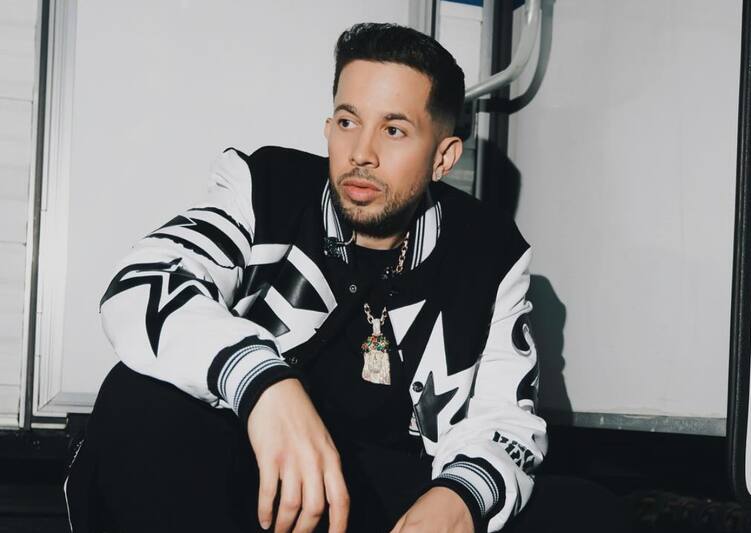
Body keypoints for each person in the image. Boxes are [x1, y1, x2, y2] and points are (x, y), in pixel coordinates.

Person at [64, 22, 625, 533]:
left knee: (585, 511)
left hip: (382, 494)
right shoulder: (268, 188)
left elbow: (505, 417)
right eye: (348, 122)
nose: (361, 153)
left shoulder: (490, 252)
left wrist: (460, 496)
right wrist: (259, 381)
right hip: (251, 479)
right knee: (139, 399)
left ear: (443, 157)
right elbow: (145, 281)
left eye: (395, 130)